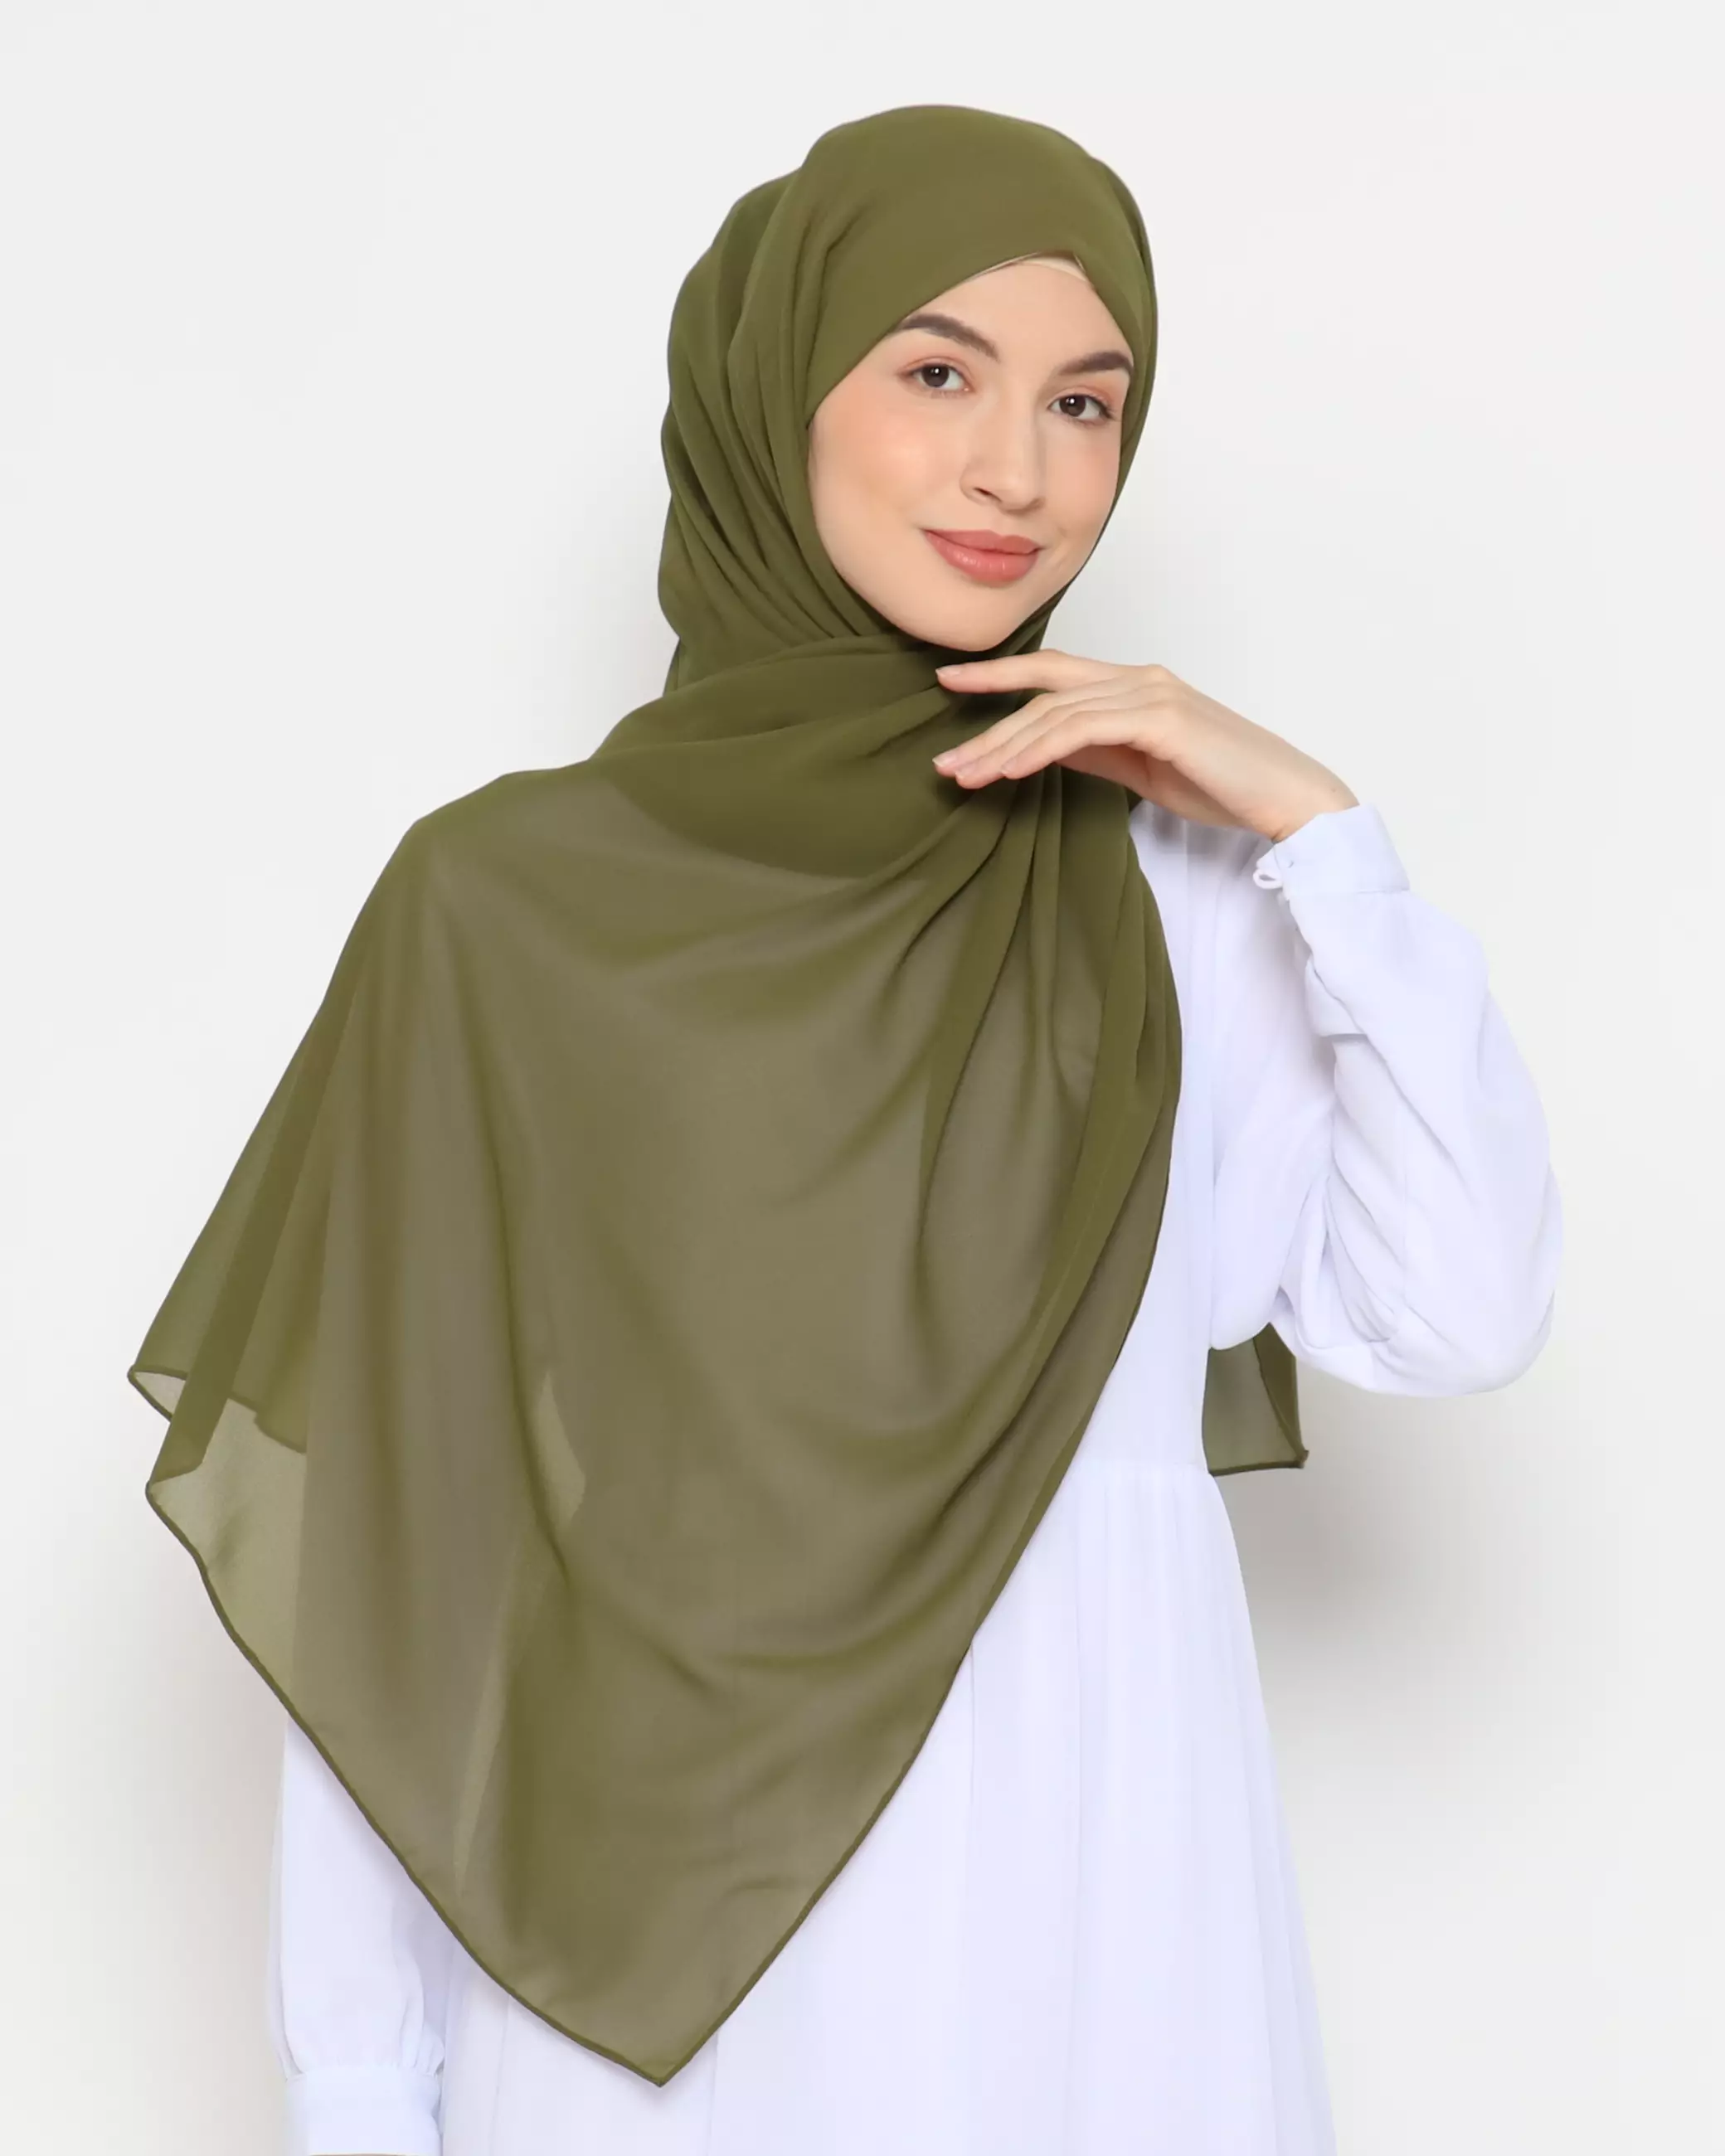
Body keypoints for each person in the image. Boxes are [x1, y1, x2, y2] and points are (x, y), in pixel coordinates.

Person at [133, 105, 1562, 2156]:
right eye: (935, 373)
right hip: (671, 1973)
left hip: (1106, 1928)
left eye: (1083, 402)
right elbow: (404, 1559)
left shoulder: (1178, 892)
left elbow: (1453, 1313)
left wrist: (1323, 837)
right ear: (773, 388)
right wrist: (359, 2089)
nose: (1017, 472)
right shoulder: (508, 907)